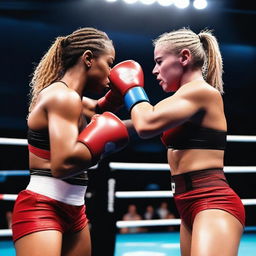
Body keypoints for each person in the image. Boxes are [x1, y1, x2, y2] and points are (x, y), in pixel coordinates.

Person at [109, 28, 245, 256]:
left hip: (212, 201)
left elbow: (145, 124)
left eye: (159, 61)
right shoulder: (179, 100)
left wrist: (132, 88)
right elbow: (132, 124)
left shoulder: (202, 92)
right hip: (186, 203)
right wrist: (92, 119)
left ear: (184, 57)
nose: (154, 70)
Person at [11, 27, 130, 256]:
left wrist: (120, 90)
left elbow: (100, 109)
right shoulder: (62, 97)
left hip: (75, 208)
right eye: (109, 63)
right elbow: (63, 165)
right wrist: (103, 147)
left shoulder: (73, 99)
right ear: (88, 58)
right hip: (43, 206)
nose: (112, 72)